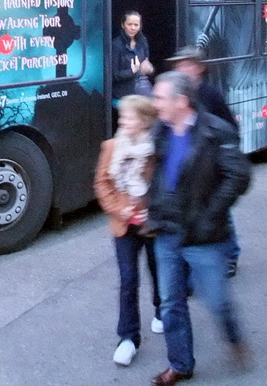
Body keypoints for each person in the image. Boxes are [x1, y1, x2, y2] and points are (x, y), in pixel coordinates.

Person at [147, 71, 251, 385]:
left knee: (217, 301)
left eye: (160, 98)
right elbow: (155, 174)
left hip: (202, 234)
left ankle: (235, 339)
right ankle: (180, 364)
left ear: (181, 101)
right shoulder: (160, 130)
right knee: (170, 302)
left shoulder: (215, 131)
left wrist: (210, 215)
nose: (155, 105)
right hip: (166, 231)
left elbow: (239, 176)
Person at [94, 94, 163, 368]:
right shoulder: (111, 147)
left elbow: (164, 185)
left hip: (150, 225)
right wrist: (116, 209)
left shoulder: (156, 150)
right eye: (122, 117)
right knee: (128, 281)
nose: (122, 121)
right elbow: (102, 183)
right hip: (123, 225)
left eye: (129, 117)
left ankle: (161, 310)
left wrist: (154, 211)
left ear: (145, 122)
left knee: (158, 271)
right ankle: (128, 338)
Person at [166, 45, 242, 277]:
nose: (181, 68)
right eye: (178, 64)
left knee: (219, 211)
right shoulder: (181, 93)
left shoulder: (210, 94)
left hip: (211, 162)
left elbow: (228, 127)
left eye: (186, 64)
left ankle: (231, 255)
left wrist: (224, 158)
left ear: (198, 68)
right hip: (190, 163)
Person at [112, 11, 155, 101]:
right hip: (123, 89)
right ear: (123, 25)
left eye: (136, 25)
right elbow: (113, 75)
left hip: (142, 85)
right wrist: (132, 71)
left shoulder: (143, 41)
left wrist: (149, 69)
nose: (133, 28)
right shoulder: (116, 44)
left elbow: (146, 64)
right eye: (129, 24)